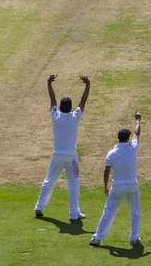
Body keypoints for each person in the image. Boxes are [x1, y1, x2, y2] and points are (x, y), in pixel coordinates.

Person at [34, 74, 91, 221]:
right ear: (70, 107)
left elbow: (52, 98)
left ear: (60, 107)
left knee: (49, 180)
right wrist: (87, 85)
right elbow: (83, 100)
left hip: (57, 155)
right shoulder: (75, 116)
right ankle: (73, 214)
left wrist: (49, 83)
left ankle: (39, 207)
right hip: (71, 157)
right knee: (74, 183)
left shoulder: (56, 116)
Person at [90, 111, 143, 247]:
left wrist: (106, 186)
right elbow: (137, 134)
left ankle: (97, 238)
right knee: (135, 211)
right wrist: (138, 120)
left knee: (108, 212)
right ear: (127, 138)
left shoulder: (111, 153)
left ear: (118, 138)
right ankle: (133, 237)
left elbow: (106, 171)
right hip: (132, 185)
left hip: (117, 186)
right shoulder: (132, 147)